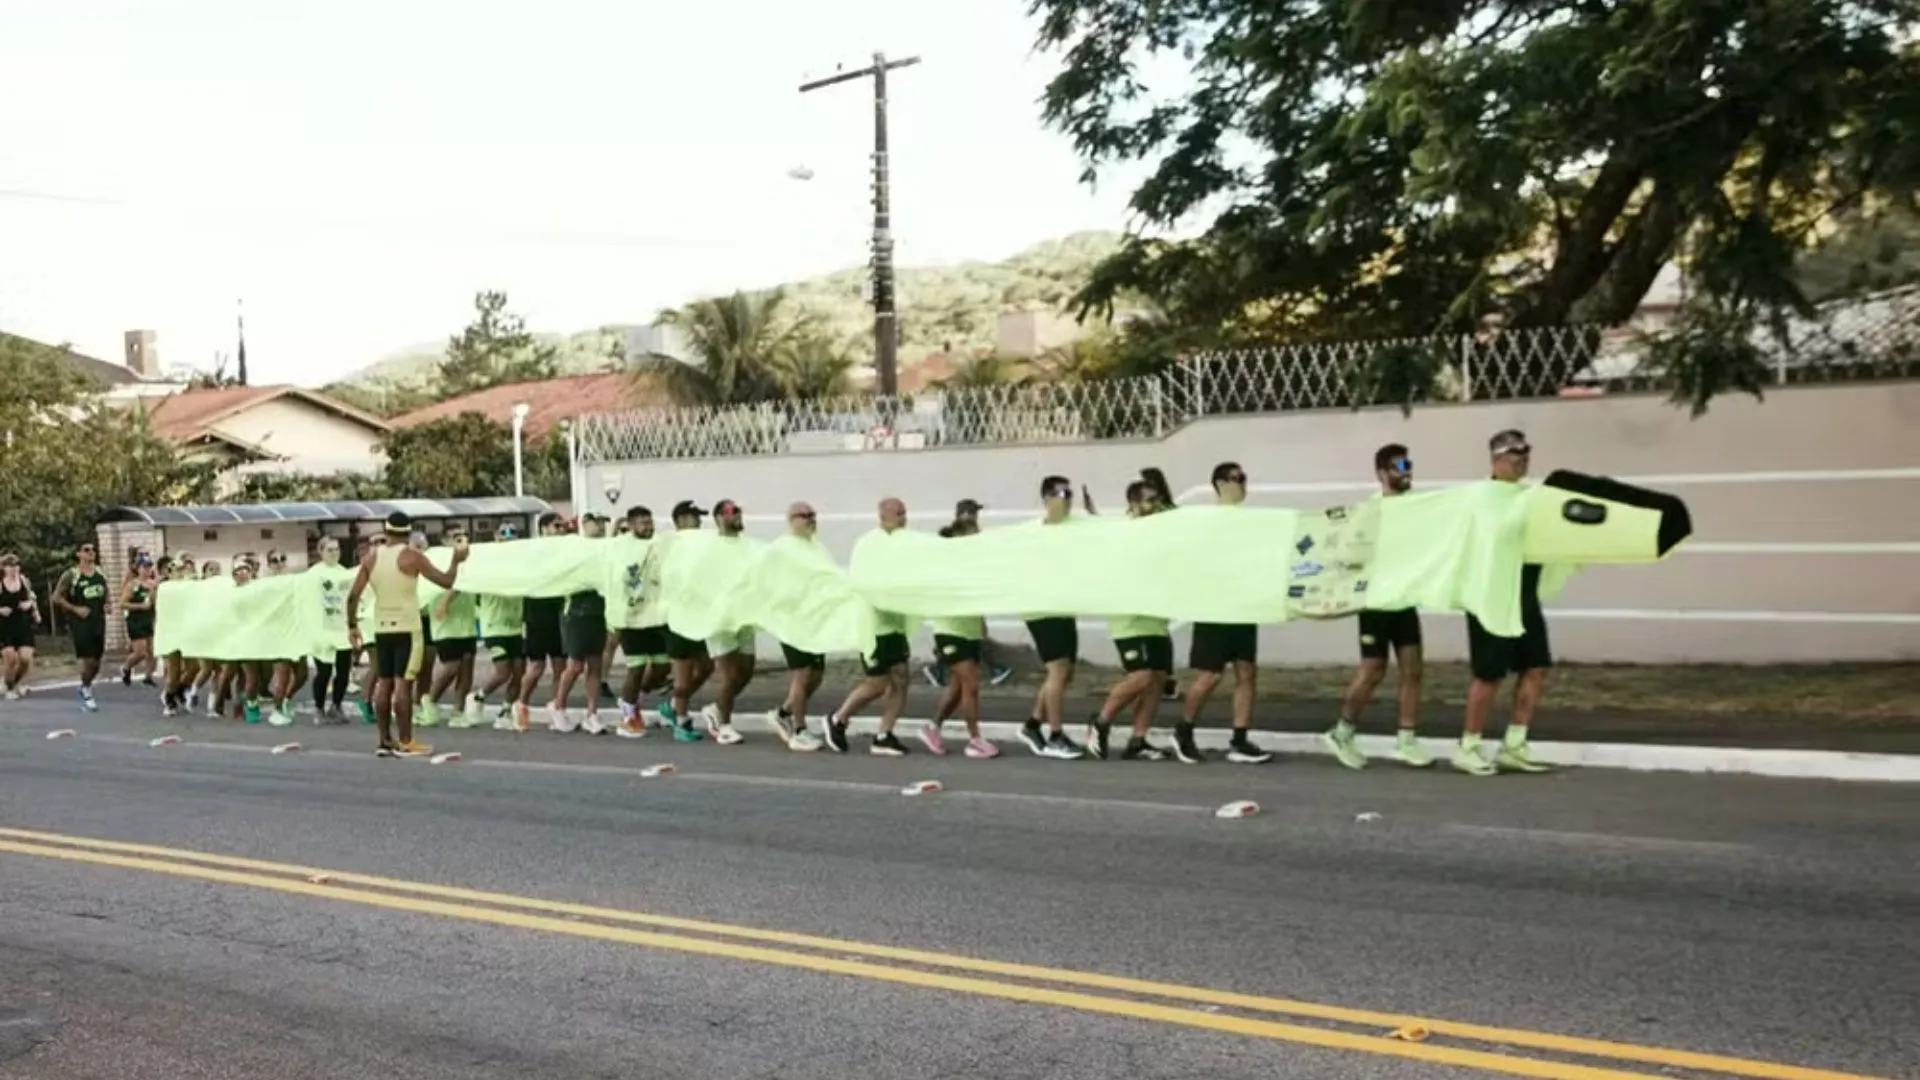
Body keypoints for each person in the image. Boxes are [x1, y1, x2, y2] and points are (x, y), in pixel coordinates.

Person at [1325, 444, 1431, 769]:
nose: (1407, 472)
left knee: (1412, 669)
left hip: (1403, 600)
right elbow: (1348, 553)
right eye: (1400, 466)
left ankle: (1407, 740)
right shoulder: (1369, 512)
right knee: (1373, 670)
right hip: (1374, 602)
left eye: (1409, 464)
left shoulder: (1415, 507)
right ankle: (1341, 732)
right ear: (1382, 473)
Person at [1456, 430, 1553, 776]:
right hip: (1490, 598)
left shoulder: (1532, 496)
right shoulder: (1478, 498)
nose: (1522, 460)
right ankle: (1468, 746)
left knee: (1536, 667)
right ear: (1496, 459)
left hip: (1524, 594)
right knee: (1489, 675)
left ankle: (1514, 744)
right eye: (1514, 454)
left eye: (1526, 453)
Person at [1172, 463, 1274, 765]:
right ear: (1219, 484)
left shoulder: (1248, 522)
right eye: (1237, 479)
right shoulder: (1208, 521)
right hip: (1215, 609)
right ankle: (1184, 729)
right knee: (1211, 676)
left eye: (1245, 478)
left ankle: (1240, 740)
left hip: (1243, 608)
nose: (1243, 484)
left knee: (1247, 673)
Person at [347, 512, 467, 758]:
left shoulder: (372, 557)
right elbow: (446, 581)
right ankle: (405, 740)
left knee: (385, 682)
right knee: (403, 684)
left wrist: (352, 626)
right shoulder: (412, 557)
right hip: (407, 627)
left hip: (382, 627)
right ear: (409, 531)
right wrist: (456, 560)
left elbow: (353, 596)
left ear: (386, 529)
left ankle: (384, 740)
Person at [1086, 480, 1174, 761]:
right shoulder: (1123, 531)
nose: (1153, 506)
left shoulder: (1161, 531)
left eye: (1156, 500)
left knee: (1157, 680)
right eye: (1148, 501)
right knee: (1142, 676)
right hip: (1130, 619)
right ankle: (1100, 722)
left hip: (1156, 619)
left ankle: (1138, 740)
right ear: (1134, 504)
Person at [823, 497, 914, 755]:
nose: (903, 518)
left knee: (901, 678)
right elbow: (864, 579)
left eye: (905, 513)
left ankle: (884, 734)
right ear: (883, 516)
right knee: (878, 682)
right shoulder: (869, 544)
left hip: (896, 624)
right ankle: (839, 718)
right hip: (874, 627)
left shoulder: (905, 543)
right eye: (898, 513)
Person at [1016, 477, 1090, 760]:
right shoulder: (1036, 532)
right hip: (1041, 607)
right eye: (1062, 493)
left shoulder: (1074, 530)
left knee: (1066, 670)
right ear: (1047, 498)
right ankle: (1055, 735)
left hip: (1063, 607)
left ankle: (1033, 725)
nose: (1068, 499)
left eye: (1070, 493)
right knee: (1058, 668)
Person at [920, 521, 999, 758]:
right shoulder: (946, 566)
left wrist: (982, 624)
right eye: (973, 534)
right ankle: (975, 739)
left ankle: (932, 727)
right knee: (971, 684)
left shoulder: (972, 565)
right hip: (949, 631)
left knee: (957, 687)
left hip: (970, 631)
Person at [922, 498, 1013, 689]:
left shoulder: (969, 535)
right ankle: (991, 668)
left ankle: (940, 669)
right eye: (972, 512)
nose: (975, 516)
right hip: (958, 593)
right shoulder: (959, 536)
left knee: (971, 632)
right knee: (967, 632)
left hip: (967, 592)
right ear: (964, 514)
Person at [765, 502, 828, 752]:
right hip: (792, 621)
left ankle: (783, 712)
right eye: (805, 516)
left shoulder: (816, 547)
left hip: (815, 620)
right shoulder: (783, 548)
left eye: (813, 515)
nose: (811, 520)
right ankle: (799, 729)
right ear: (792, 519)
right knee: (802, 674)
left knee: (816, 673)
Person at [697, 499, 756, 745]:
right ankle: (723, 724)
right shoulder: (711, 547)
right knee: (731, 673)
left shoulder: (747, 545)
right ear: (720, 517)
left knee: (747, 670)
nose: (738, 515)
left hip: (744, 615)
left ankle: (715, 709)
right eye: (733, 512)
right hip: (719, 619)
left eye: (740, 511)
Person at [659, 500, 715, 743]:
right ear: (681, 520)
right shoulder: (670, 545)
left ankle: (674, 704)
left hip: (695, 617)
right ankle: (681, 721)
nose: (699, 522)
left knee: (706, 667)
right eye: (694, 517)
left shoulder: (698, 547)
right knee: (682, 674)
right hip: (675, 617)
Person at [613, 507, 671, 738]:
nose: (648, 527)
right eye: (642, 523)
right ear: (631, 525)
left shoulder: (659, 544)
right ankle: (627, 716)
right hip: (632, 618)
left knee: (662, 667)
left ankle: (635, 699)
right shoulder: (622, 547)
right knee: (635, 668)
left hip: (655, 617)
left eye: (650, 522)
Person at [553, 513, 611, 733]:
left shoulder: (606, 550)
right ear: (584, 526)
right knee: (575, 665)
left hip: (598, 612)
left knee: (595, 665)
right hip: (576, 613)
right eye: (594, 522)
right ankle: (559, 707)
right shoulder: (575, 550)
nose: (599, 527)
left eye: (601, 523)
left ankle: (592, 714)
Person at [513, 512, 570, 731]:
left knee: (560, 666)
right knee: (536, 667)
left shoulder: (565, 551)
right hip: (537, 613)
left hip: (559, 611)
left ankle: (557, 708)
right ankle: (522, 704)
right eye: (556, 526)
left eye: (563, 526)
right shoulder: (533, 551)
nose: (561, 529)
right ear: (544, 528)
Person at [425, 526, 484, 729]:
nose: (462, 540)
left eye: (465, 536)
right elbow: (453, 582)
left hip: (466, 622)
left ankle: (458, 711)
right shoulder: (438, 558)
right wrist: (445, 602)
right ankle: (430, 700)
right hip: (445, 624)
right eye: (456, 537)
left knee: (467, 667)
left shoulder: (471, 559)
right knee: (451, 666)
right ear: (445, 540)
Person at [475, 524, 528, 731]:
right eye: (504, 536)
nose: (508, 540)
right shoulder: (489, 563)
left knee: (518, 672)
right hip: (494, 626)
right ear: (497, 538)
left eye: (512, 536)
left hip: (514, 626)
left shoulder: (521, 564)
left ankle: (504, 711)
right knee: (502, 672)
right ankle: (479, 697)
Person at [51, 541, 110, 712]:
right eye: (87, 550)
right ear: (78, 554)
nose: (91, 553)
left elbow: (105, 590)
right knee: (88, 658)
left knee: (97, 661)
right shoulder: (71, 575)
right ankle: (86, 689)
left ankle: (87, 684)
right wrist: (75, 609)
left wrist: (107, 603)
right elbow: (56, 597)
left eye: (93, 550)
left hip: (98, 620)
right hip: (80, 622)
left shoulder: (99, 571)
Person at [308, 537, 356, 722]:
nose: (334, 553)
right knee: (324, 671)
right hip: (321, 630)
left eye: (336, 549)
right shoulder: (314, 574)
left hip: (341, 628)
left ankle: (336, 705)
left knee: (344, 671)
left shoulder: (344, 573)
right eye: (329, 550)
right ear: (321, 552)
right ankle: (318, 707)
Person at [264, 550, 309, 726]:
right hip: (277, 634)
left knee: (302, 674)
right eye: (274, 560)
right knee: (282, 674)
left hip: (295, 632)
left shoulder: (293, 581)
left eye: (282, 558)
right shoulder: (265, 584)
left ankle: (285, 699)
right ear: (269, 564)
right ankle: (277, 710)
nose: (279, 562)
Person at [0, 553, 41, 699]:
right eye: (10, 566)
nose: (14, 569)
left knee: (25, 659)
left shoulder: (24, 581)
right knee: (10, 658)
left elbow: (32, 598)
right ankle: (9, 688)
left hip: (23, 623)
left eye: (16, 565)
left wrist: (32, 608)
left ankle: (12, 683)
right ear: (3, 568)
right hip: (5, 625)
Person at [118, 552, 159, 688]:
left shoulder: (152, 584)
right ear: (138, 568)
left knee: (153, 652)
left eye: (149, 567)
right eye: (144, 567)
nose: (147, 570)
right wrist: (140, 606)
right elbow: (122, 604)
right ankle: (126, 667)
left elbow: (155, 602)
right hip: (135, 621)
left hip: (148, 620)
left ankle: (148, 676)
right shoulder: (132, 585)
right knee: (141, 652)